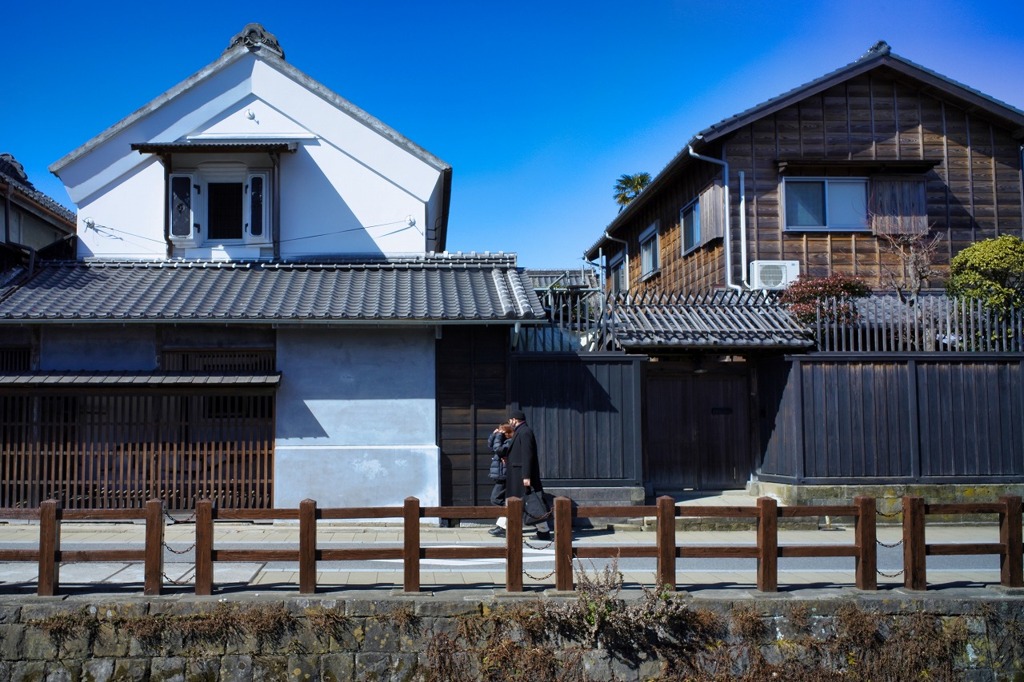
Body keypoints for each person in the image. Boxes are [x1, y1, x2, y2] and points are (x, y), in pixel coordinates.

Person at [503, 408, 550, 540]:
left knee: (531, 503)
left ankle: (543, 531)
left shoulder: (525, 432)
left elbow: (527, 455)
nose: (509, 423)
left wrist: (526, 476)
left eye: (510, 420)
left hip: (521, 475)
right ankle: (505, 527)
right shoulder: (521, 431)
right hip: (517, 474)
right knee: (520, 502)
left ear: (515, 420)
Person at [487, 422, 514, 537]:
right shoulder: (503, 441)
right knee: (499, 499)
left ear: (507, 433)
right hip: (501, 475)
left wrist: (498, 437)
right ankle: (503, 526)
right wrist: (494, 436)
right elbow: (491, 446)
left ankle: (512, 514)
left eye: (501, 431)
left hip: (505, 475)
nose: (499, 433)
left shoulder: (509, 442)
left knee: (495, 499)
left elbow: (498, 450)